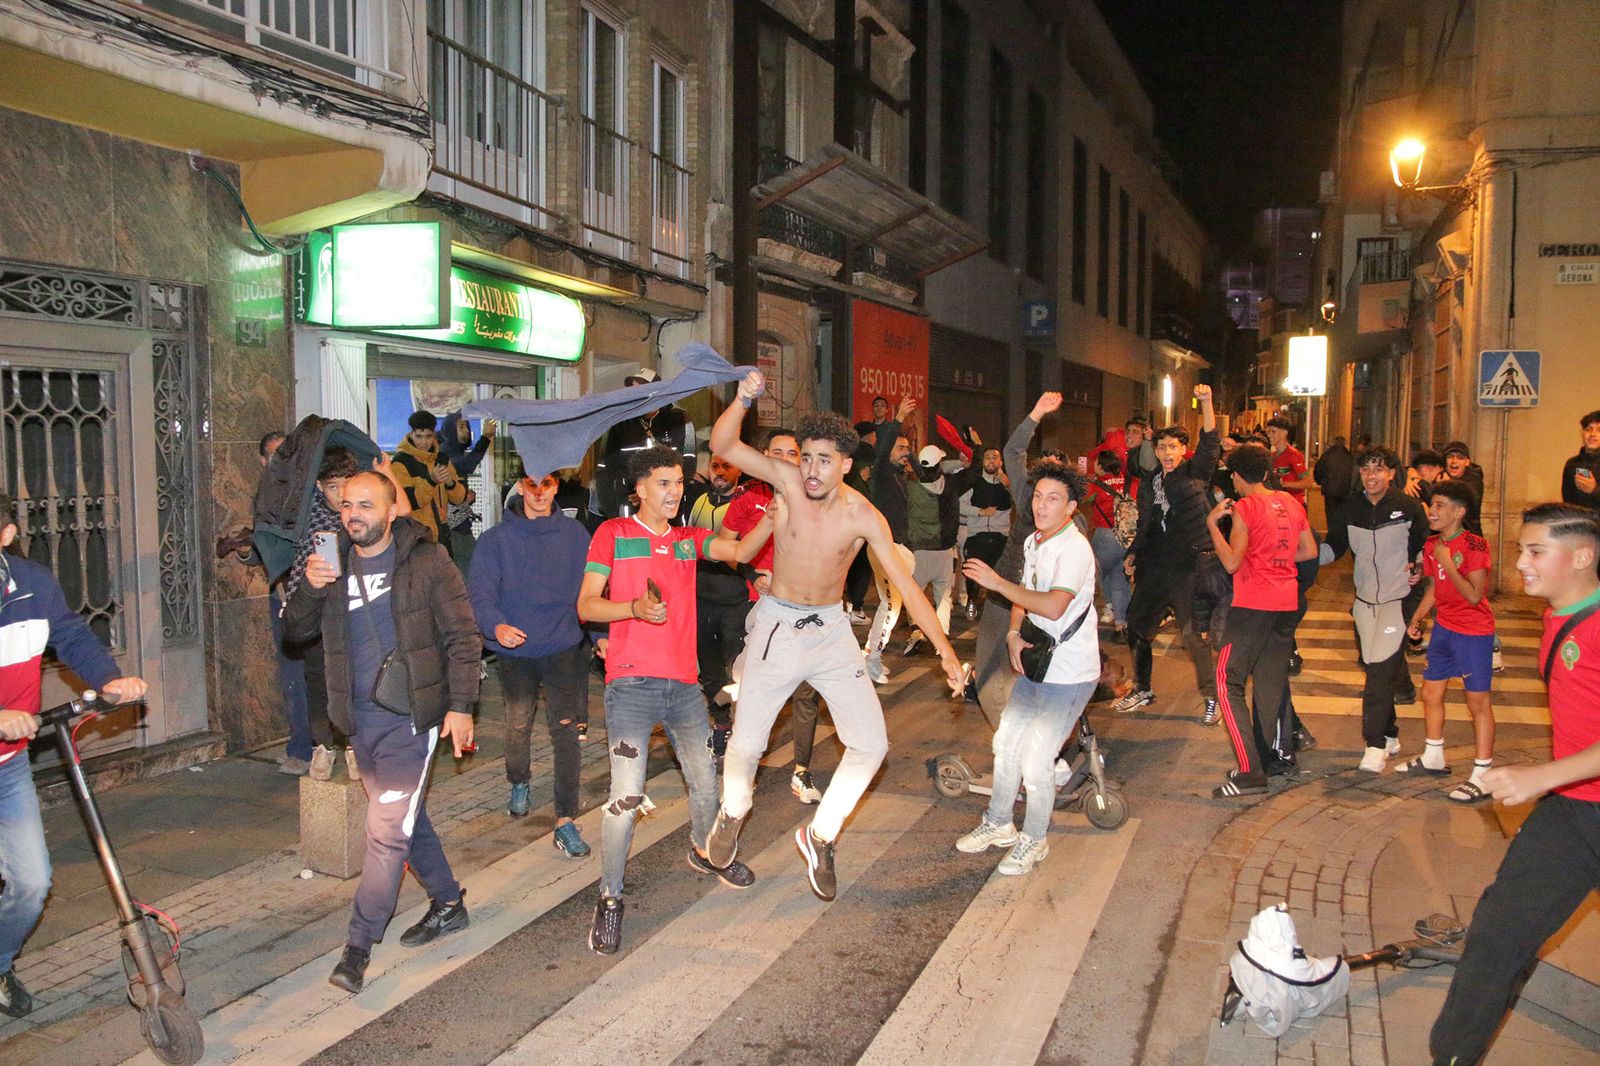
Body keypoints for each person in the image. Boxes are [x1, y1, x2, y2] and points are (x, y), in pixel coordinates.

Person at [705, 373, 965, 904]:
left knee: (871, 745)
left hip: (830, 631)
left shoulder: (863, 515)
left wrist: (946, 651)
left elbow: (907, 586)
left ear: (847, 464)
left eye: (825, 460)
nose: (812, 470)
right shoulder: (785, 480)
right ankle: (733, 811)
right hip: (777, 623)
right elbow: (724, 445)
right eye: (806, 458)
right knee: (748, 745)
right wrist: (744, 398)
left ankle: (819, 835)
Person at [284, 472, 481, 995]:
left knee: (385, 831)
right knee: (408, 821)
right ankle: (448, 904)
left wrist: (461, 706)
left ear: (391, 510)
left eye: (366, 505)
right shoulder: (332, 564)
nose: (354, 514)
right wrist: (310, 585)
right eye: (347, 505)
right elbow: (294, 633)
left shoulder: (426, 560)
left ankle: (358, 947)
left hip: (411, 718)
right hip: (357, 722)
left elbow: (463, 635)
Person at [577, 446, 772, 955]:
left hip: (685, 686)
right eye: (663, 483)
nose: (674, 491)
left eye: (680, 482)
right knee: (625, 797)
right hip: (631, 685)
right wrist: (633, 609)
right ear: (639, 489)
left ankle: (707, 852)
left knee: (707, 781)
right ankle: (610, 898)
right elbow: (586, 604)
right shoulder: (613, 535)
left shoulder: (688, 541)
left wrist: (776, 516)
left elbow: (740, 553)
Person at [1428, 503, 1600, 1066]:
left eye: (1534, 551)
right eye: (1520, 550)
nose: (1519, 564)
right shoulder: (1557, 618)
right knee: (1497, 936)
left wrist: (1540, 775)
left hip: (1568, 794)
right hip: (1571, 813)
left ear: (1582, 556)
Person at [0, 493, 146, 1019]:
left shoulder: (33, 584)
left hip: (8, 766)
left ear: (7, 535)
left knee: (32, 883)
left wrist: (109, 679)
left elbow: (70, 636)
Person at [956, 461, 1099, 875]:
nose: (1041, 505)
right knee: (1007, 744)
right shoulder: (1036, 540)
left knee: (1037, 762)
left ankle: (1034, 840)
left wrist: (996, 584)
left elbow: (1054, 604)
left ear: (1070, 507)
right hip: (1037, 663)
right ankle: (999, 823)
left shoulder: (1074, 548)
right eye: (1037, 496)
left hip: (1069, 672)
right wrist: (1013, 634)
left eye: (1052, 499)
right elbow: (1026, 593)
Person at [468, 466, 592, 855]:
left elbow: (594, 587)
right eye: (532, 485)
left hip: (562, 646)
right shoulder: (496, 540)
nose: (540, 493)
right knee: (518, 722)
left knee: (566, 730)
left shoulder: (575, 535)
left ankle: (565, 817)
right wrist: (496, 625)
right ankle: (518, 779)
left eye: (548, 485)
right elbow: (480, 594)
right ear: (521, 487)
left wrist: (602, 636)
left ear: (557, 488)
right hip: (515, 651)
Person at [720, 429, 828, 803]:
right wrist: (752, 575)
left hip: (807, 612)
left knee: (805, 692)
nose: (784, 459)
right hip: (760, 608)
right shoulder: (747, 499)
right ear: (763, 455)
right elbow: (728, 550)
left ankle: (801, 771)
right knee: (751, 690)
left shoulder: (818, 498)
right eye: (777, 452)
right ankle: (742, 771)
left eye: (792, 453)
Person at [1205, 445, 1317, 797]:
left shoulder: (1246, 507)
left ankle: (1250, 771)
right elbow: (1309, 551)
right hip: (1286, 602)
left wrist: (1212, 525)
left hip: (1253, 603)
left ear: (1238, 476)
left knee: (1226, 681)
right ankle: (1262, 762)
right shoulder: (1290, 501)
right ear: (1266, 473)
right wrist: (1273, 558)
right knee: (1270, 684)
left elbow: (1232, 563)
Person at [1319, 446, 1429, 773]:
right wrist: (1302, 555)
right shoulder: (1349, 508)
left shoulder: (1408, 508)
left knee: (1379, 675)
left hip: (1399, 601)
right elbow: (1333, 549)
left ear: (1392, 473)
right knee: (1376, 669)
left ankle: (1375, 744)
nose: (1371, 476)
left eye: (1378, 469)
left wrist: (1421, 567)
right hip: (1365, 603)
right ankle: (1391, 733)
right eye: (1366, 469)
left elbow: (1425, 547)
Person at [1115, 385, 1220, 719]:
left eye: (1173, 447)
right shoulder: (1150, 482)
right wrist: (1133, 553)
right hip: (1156, 566)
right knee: (1136, 624)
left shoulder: (1195, 473)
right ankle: (1143, 689)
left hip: (1189, 566)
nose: (1166, 453)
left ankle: (1212, 697)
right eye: (1161, 447)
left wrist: (1206, 403)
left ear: (1183, 449)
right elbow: (1146, 522)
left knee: (1192, 635)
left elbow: (1210, 442)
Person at [1400, 481, 1497, 802]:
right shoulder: (1432, 545)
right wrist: (1417, 618)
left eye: (1440, 505)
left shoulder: (1475, 546)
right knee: (1430, 693)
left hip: (1473, 632)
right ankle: (1433, 756)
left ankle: (1483, 772)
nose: (1433, 511)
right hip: (1444, 628)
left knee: (1477, 703)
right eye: (1432, 505)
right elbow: (1433, 588)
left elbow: (1473, 595)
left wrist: (1446, 561)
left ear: (1459, 511)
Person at [685, 451, 752, 761]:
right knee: (710, 672)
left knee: (739, 671)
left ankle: (744, 730)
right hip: (701, 600)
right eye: (715, 466)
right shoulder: (697, 503)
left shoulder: (748, 506)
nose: (720, 472)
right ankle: (722, 725)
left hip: (736, 602)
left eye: (728, 465)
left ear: (740, 470)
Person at [902, 442, 980, 655]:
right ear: (939, 466)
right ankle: (941, 638)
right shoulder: (953, 485)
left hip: (918, 552)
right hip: (945, 551)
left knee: (914, 594)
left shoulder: (911, 489)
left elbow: (922, 474)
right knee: (943, 596)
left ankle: (917, 630)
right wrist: (976, 447)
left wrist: (908, 455)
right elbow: (974, 472)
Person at [864, 396, 920, 684]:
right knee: (890, 605)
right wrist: (897, 418)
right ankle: (871, 658)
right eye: (900, 448)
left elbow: (925, 475)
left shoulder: (901, 475)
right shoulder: (884, 472)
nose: (905, 453)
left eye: (908, 449)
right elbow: (882, 450)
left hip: (900, 548)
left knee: (894, 606)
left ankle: (873, 656)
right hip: (884, 549)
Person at [593, 366, 697, 518]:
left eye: (641, 389)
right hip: (627, 510)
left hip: (668, 510)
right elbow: (604, 470)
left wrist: (656, 492)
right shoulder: (617, 423)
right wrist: (611, 511)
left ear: (658, 392)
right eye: (633, 390)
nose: (636, 395)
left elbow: (688, 465)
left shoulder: (680, 420)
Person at [390, 410, 468, 551]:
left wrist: (450, 483)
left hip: (442, 533)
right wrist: (431, 481)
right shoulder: (400, 462)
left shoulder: (441, 459)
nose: (424, 442)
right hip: (415, 536)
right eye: (419, 436)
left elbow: (459, 499)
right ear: (411, 434)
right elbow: (409, 503)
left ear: (434, 435)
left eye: (428, 436)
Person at [437, 413, 496, 577]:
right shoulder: (445, 454)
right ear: (450, 430)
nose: (466, 432)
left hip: (461, 526)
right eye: (461, 427)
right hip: (453, 530)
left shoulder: (455, 451)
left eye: (467, 427)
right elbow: (465, 465)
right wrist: (485, 438)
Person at [958, 446, 1012, 622]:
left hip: (1000, 535)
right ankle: (972, 600)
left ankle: (996, 609)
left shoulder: (1009, 484)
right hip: (976, 535)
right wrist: (979, 511)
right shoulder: (974, 483)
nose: (991, 461)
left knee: (1000, 574)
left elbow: (1025, 501)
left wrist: (1009, 486)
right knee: (972, 571)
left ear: (1000, 462)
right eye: (987, 457)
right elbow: (958, 505)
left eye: (995, 458)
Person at [1084, 450, 1134, 634]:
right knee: (1120, 578)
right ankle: (1121, 623)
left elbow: (1084, 499)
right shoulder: (1131, 482)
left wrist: (1088, 481)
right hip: (1128, 537)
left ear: (1101, 465)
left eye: (1095, 462)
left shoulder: (1096, 486)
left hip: (1105, 535)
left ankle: (1089, 620)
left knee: (1093, 578)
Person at [1263, 416, 1314, 504]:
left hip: (1294, 503)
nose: (1269, 435)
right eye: (1268, 431)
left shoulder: (1293, 455)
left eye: (1273, 432)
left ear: (1284, 433)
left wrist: (1285, 484)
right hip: (1279, 503)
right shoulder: (1272, 456)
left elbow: (1308, 482)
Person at [1559, 409, 1600, 511]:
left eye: (1599, 430)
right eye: (1588, 429)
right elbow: (1567, 501)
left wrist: (1595, 490)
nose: (1592, 434)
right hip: (1580, 524)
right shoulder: (1572, 464)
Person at [1312, 435, 1354, 523]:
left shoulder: (1326, 456)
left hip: (1329, 490)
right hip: (1345, 490)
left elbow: (1318, 470)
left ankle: (1332, 533)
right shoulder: (1350, 457)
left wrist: (1319, 481)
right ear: (1344, 444)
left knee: (1331, 515)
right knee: (1343, 515)